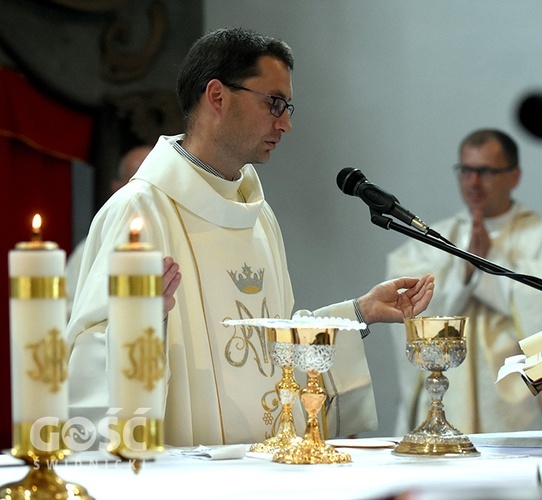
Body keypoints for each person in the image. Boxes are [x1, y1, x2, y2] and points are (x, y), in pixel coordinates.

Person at [66, 27, 434, 448]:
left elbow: (271, 348)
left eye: (288, 105)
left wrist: (358, 313)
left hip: (266, 473)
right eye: (274, 103)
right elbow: (89, 361)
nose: (287, 123)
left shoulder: (259, 216)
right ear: (218, 96)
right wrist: (147, 319)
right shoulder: (141, 211)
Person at [386, 128, 542, 435]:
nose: (473, 182)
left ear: (514, 176)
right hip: (448, 398)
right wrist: (465, 273)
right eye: (465, 170)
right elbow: (404, 301)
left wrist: (487, 267)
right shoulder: (434, 238)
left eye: (485, 172)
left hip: (516, 406)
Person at [65, 145, 152, 316]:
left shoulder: (182, 236)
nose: (144, 194)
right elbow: (68, 310)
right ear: (117, 188)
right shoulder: (93, 247)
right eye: (135, 182)